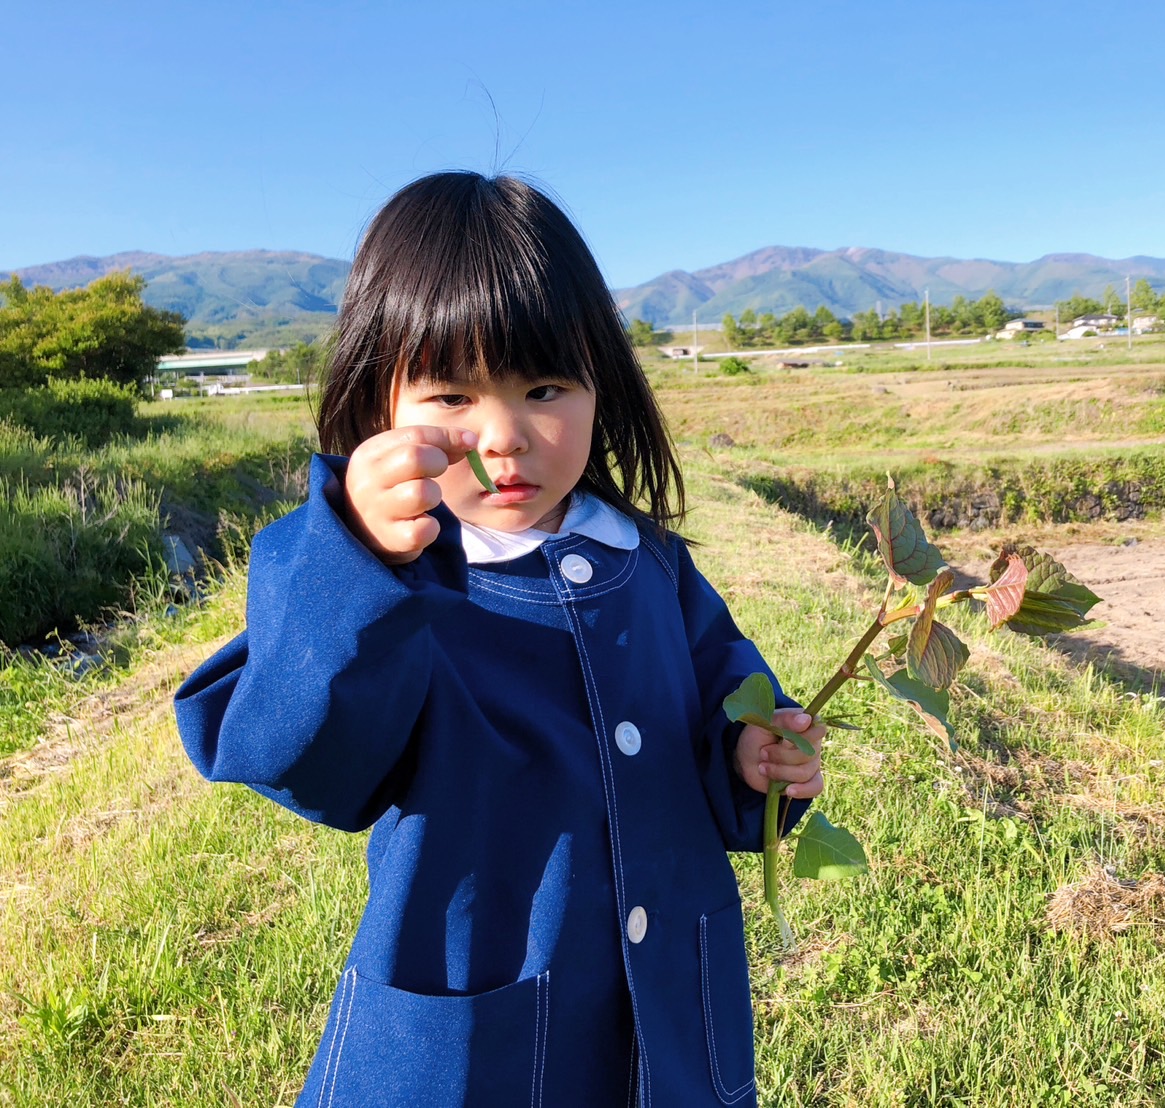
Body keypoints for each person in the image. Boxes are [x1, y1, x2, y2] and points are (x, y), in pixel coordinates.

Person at [174, 171, 825, 1107]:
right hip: (469, 1048)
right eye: (450, 397)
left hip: (671, 1028)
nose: (505, 437)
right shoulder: (382, 586)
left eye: (545, 386)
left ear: (604, 385)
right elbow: (304, 760)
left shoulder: (650, 565)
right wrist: (356, 559)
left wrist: (755, 759)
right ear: (376, 405)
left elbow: (727, 703)